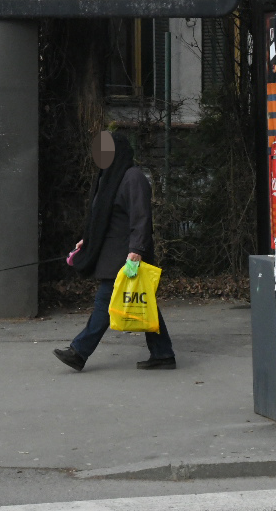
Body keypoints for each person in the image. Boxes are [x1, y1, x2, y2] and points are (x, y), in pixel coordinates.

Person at [53, 130, 176, 371]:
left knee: (105, 303)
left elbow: (141, 217)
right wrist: (86, 241)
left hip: (126, 255)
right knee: (144, 303)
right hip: (112, 253)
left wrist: (137, 250)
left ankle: (79, 352)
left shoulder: (133, 177)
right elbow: (102, 218)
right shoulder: (108, 178)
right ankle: (163, 353)